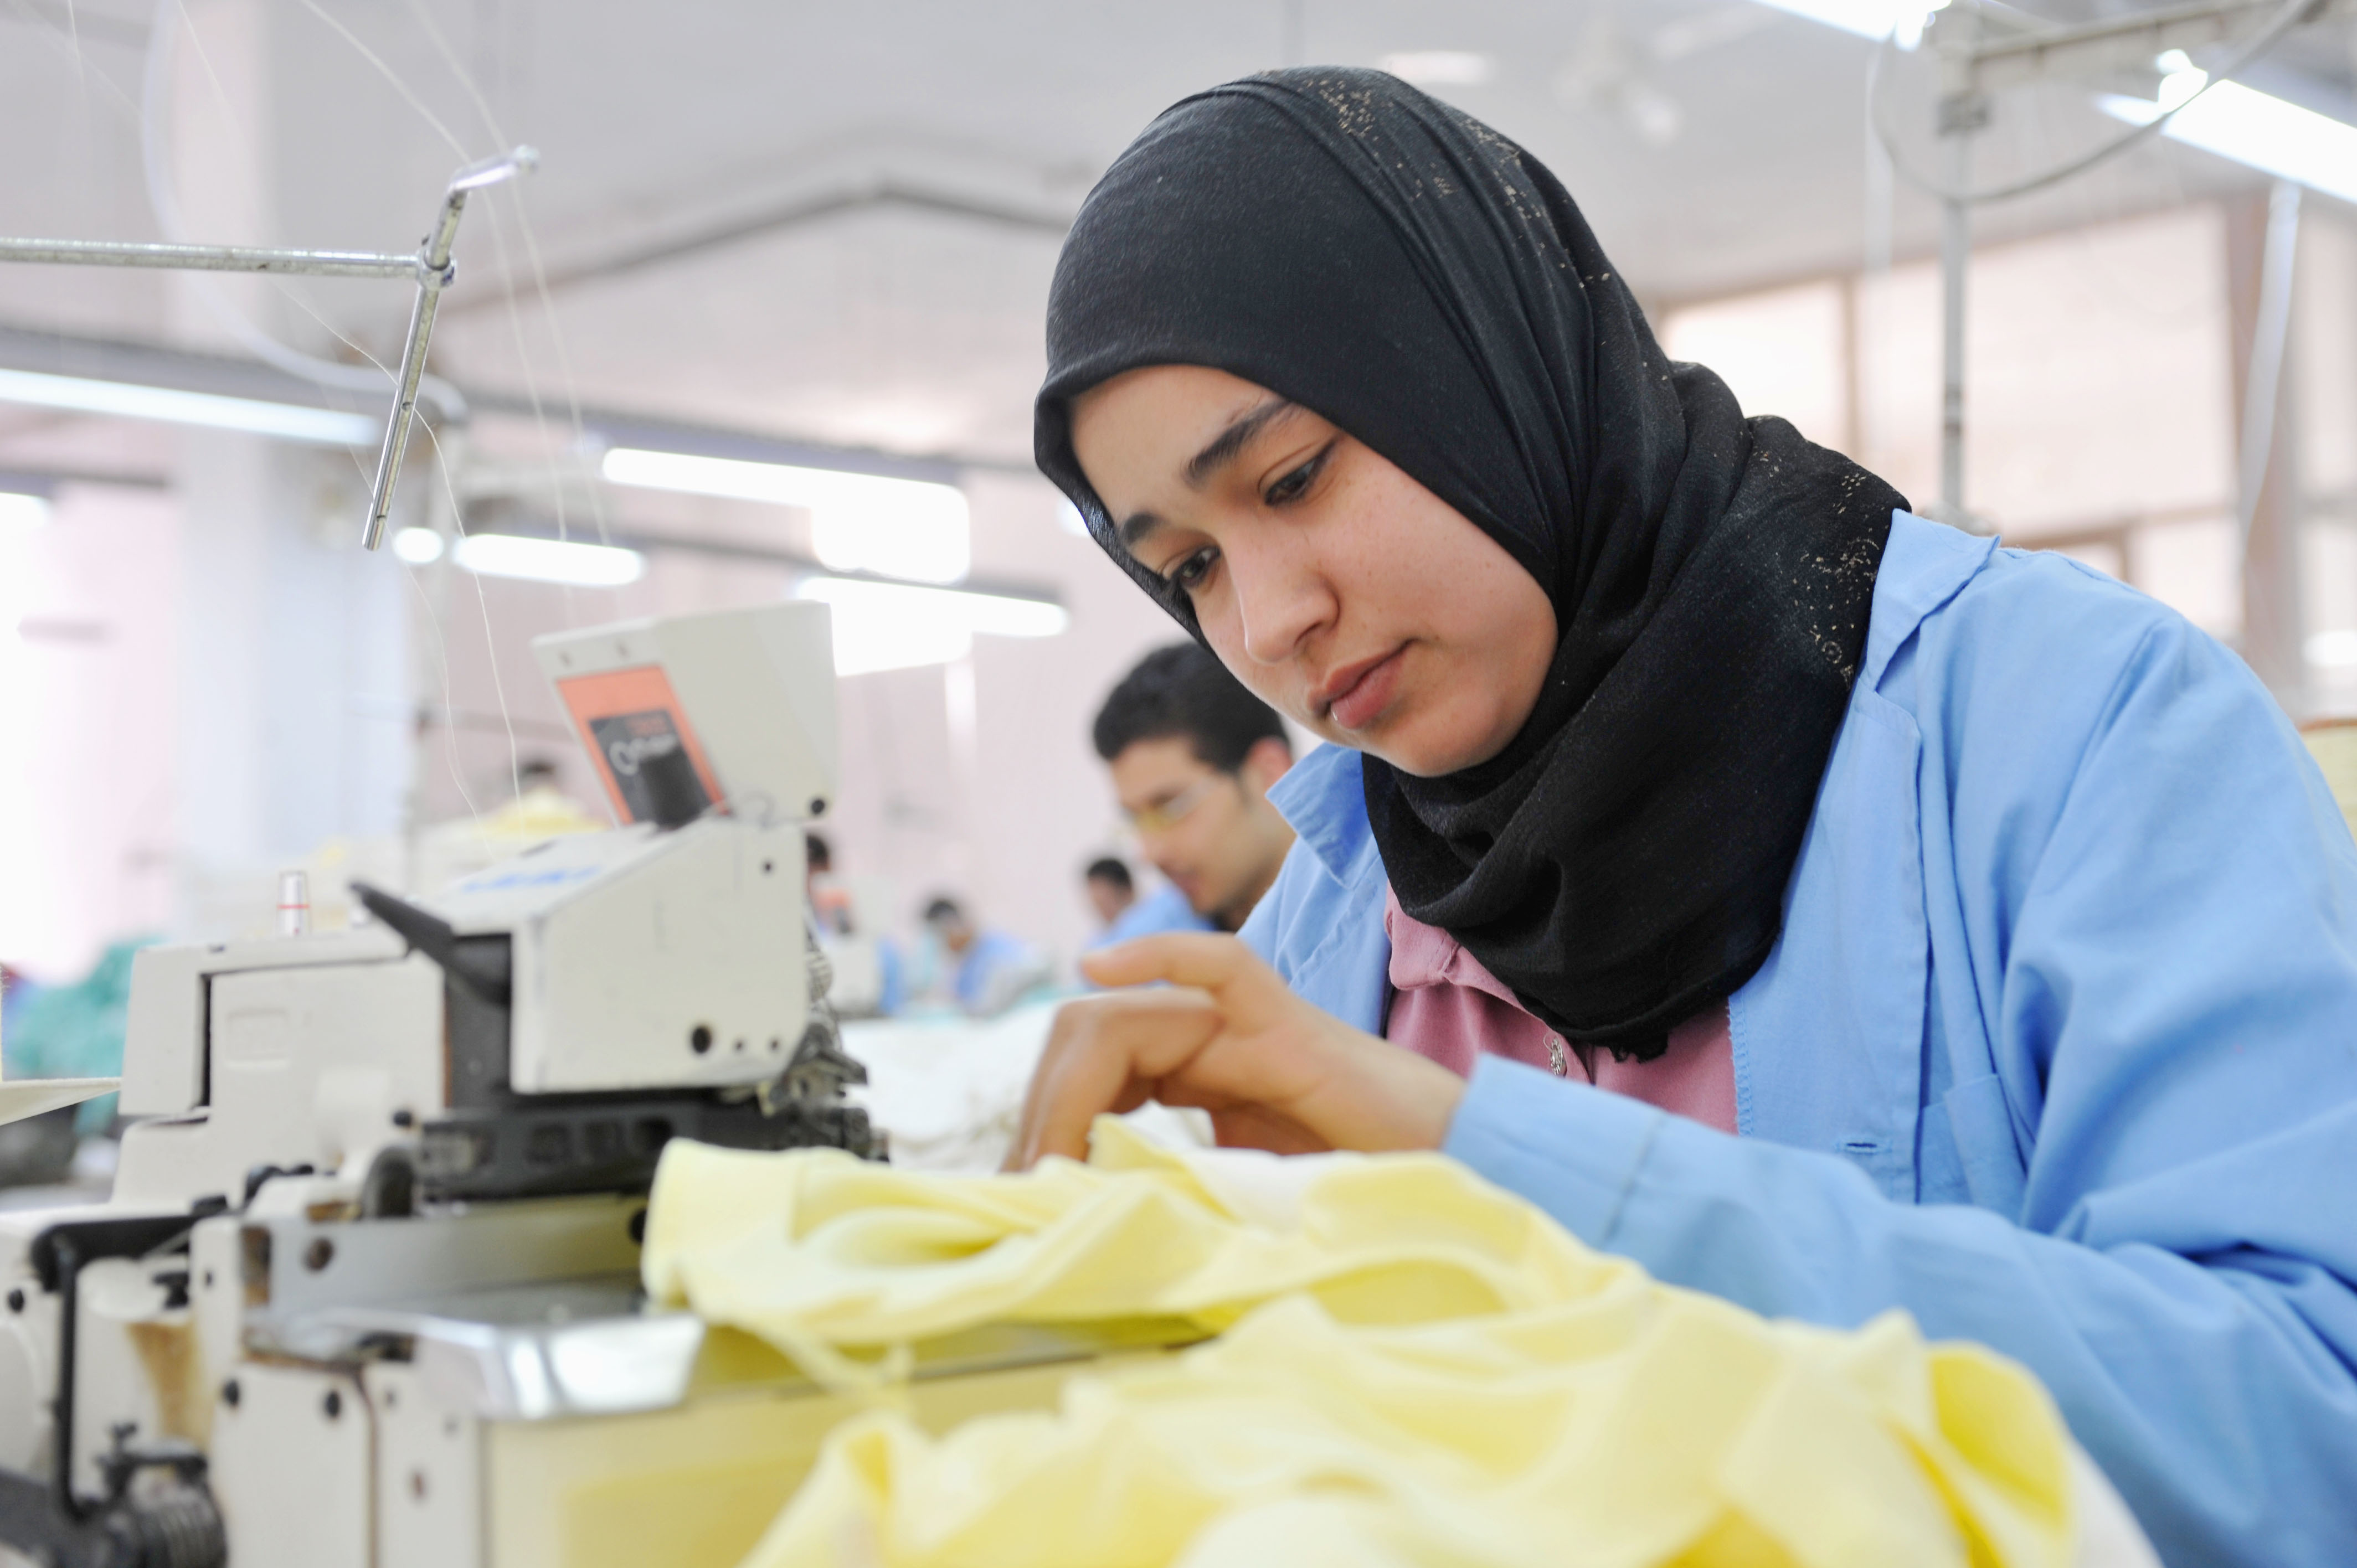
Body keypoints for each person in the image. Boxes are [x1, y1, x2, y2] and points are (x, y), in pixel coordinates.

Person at [1008, 68, 2357, 1568]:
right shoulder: (1328, 941)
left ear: (1475, 367)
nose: (1268, 623)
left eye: (1296, 477)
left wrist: (1487, 1158)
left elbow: (2308, 1429)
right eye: (1189, 566)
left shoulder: (2080, 727)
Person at [1089, 642, 1295, 941]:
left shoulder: (1380, 914)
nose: (1150, 853)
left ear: (1268, 773)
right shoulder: (1143, 948)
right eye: (1136, 820)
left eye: (1171, 808)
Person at [922, 896, 1048, 1017]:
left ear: (953, 927)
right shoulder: (964, 963)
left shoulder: (998, 949)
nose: (942, 946)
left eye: (941, 937)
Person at [1082, 856, 1136, 929]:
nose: (1103, 912)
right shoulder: (1099, 938)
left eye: (1106, 901)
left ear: (1128, 890)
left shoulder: (1149, 918)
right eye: (1098, 905)